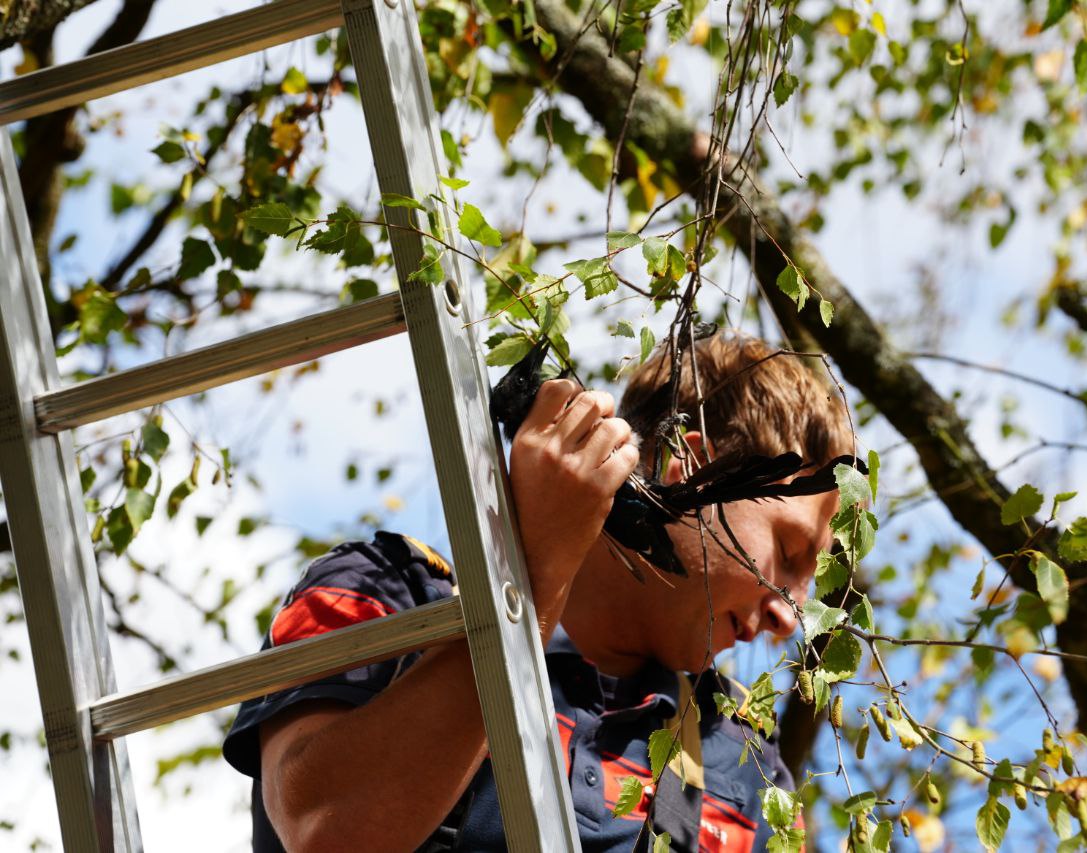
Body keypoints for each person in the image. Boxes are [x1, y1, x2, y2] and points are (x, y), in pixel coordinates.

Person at [222, 331, 856, 852]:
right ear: (690, 467)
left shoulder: (745, 765)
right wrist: (537, 566)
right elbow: (327, 832)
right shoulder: (387, 589)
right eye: (790, 553)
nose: (790, 614)